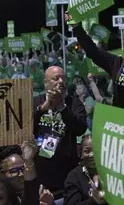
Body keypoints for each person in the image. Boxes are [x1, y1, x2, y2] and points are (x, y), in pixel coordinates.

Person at [34, 65, 88, 197]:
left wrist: (62, 107)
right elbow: (25, 126)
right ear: (46, 83)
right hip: (40, 168)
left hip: (66, 169)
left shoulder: (74, 103)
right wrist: (41, 110)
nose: (61, 82)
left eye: (63, 79)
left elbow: (80, 128)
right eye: (56, 78)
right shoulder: (36, 101)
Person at [63, 135, 107, 205]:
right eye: (87, 151)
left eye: (96, 150)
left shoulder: (111, 173)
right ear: (81, 154)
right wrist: (94, 200)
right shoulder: (74, 177)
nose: (92, 155)